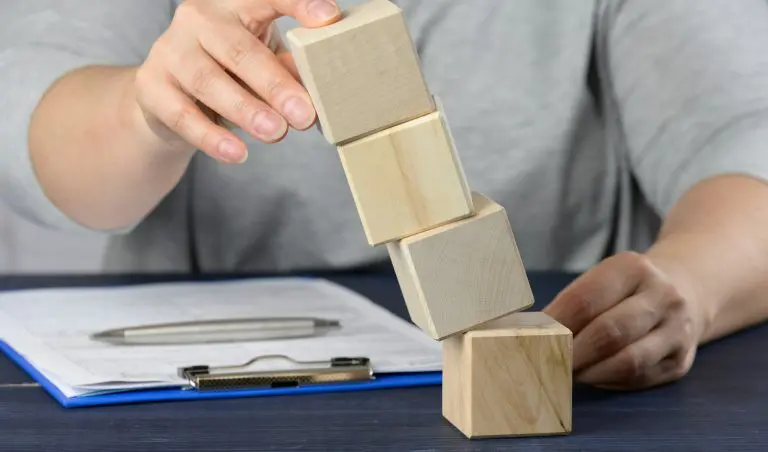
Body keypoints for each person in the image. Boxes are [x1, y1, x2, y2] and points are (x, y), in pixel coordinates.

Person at [3, 0, 768, 392]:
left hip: (558, 352)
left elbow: (745, 135)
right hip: (216, 384)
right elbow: (37, 123)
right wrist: (146, 109)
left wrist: (691, 285)